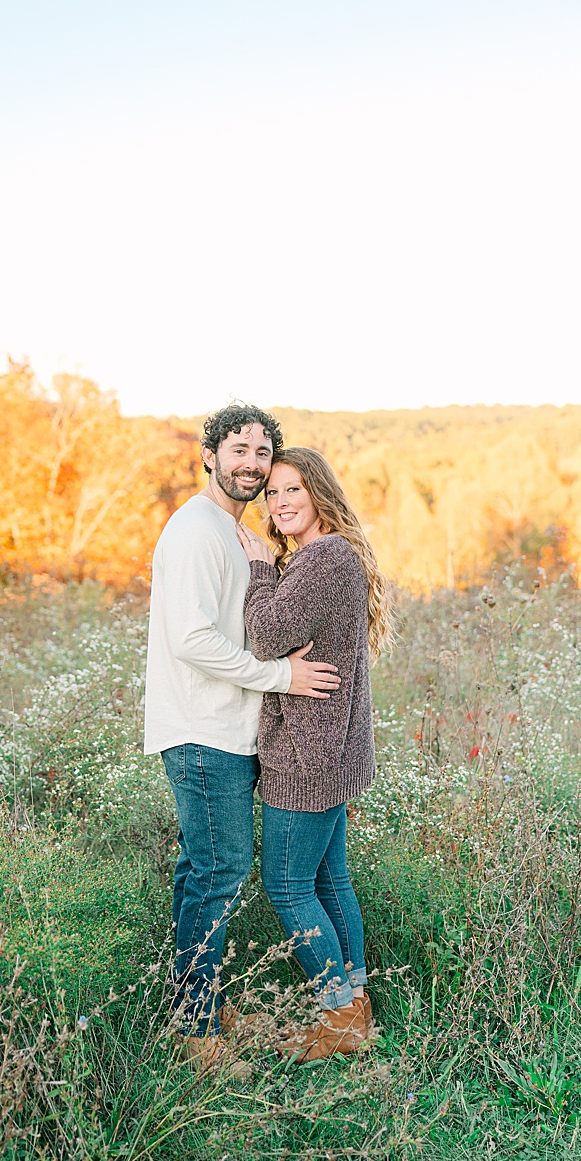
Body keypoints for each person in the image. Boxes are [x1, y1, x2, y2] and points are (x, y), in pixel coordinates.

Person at [143, 402, 342, 1073]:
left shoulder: (231, 531)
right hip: (203, 732)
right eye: (239, 448)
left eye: (263, 451)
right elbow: (192, 639)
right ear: (209, 455)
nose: (253, 462)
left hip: (229, 728)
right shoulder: (197, 529)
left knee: (202, 871)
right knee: (218, 872)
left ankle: (194, 1001)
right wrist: (278, 675)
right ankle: (198, 1036)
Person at [237, 446, 394, 1062]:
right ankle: (353, 1011)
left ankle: (337, 1017)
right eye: (271, 494)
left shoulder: (325, 558)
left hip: (307, 753)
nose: (279, 503)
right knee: (329, 879)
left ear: (319, 492)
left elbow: (266, 634)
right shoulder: (326, 556)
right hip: (331, 747)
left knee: (286, 883)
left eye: (292, 489)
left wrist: (258, 569)